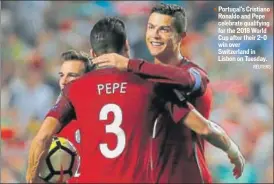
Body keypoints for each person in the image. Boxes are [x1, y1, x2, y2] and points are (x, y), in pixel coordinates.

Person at [26, 17, 244, 183]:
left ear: (92, 53)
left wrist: (31, 178)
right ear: (127, 48)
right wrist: (233, 151)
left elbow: (42, 138)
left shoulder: (74, 89)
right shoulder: (151, 84)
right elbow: (204, 128)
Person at [92, 3, 244, 183]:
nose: (155, 35)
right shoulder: (143, 80)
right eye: (151, 27)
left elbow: (200, 116)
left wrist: (130, 64)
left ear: (181, 36)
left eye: (164, 29)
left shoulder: (194, 74)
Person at [56, 50, 95, 183]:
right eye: (61, 75)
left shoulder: (101, 119)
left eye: (72, 75)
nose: (64, 81)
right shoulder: (55, 122)